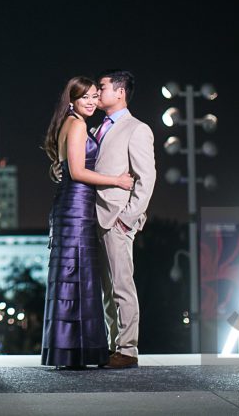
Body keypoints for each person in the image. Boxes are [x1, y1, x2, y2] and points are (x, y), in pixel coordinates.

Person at [40, 76, 135, 369]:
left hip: (75, 203)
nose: (93, 102)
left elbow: (66, 166)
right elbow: (79, 172)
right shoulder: (78, 124)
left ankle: (74, 351)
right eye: (86, 98)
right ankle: (76, 351)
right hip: (76, 205)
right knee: (76, 273)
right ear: (72, 101)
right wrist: (116, 180)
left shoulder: (72, 123)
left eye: (96, 96)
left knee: (77, 274)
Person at [92, 69, 156, 369]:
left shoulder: (137, 129)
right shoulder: (98, 128)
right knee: (107, 290)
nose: (97, 91)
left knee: (122, 287)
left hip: (117, 220)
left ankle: (128, 349)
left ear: (120, 92)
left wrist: (127, 219)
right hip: (96, 218)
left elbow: (147, 179)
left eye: (102, 87)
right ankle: (112, 346)